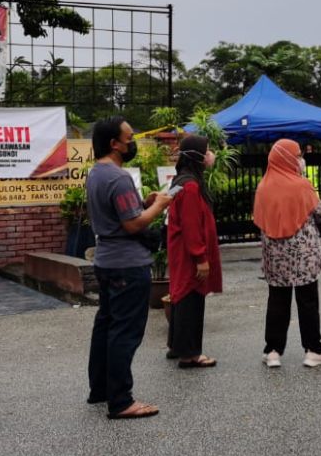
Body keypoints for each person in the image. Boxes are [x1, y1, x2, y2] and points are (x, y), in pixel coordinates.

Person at [85, 116, 172, 419]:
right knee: (125, 332)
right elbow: (133, 223)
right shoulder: (118, 177)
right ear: (114, 143)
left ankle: (100, 389)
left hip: (106, 260)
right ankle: (121, 401)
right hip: (127, 264)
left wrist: (144, 202)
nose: (132, 142)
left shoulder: (96, 173)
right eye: (129, 137)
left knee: (106, 325)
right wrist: (159, 206)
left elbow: (123, 211)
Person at [253, 138, 321, 368]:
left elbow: (257, 219)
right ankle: (313, 350)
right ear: (289, 158)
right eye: (298, 155)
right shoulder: (302, 185)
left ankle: (273, 351)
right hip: (303, 256)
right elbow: (319, 213)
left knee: (277, 301)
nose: (301, 159)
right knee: (307, 301)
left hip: (275, 256)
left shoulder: (263, 186)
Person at [167, 135, 223, 368]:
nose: (210, 154)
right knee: (191, 297)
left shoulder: (183, 180)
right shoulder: (190, 186)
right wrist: (200, 257)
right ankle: (190, 354)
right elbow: (191, 225)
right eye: (207, 150)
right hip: (190, 253)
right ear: (197, 156)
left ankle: (177, 345)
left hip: (181, 251)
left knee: (181, 295)